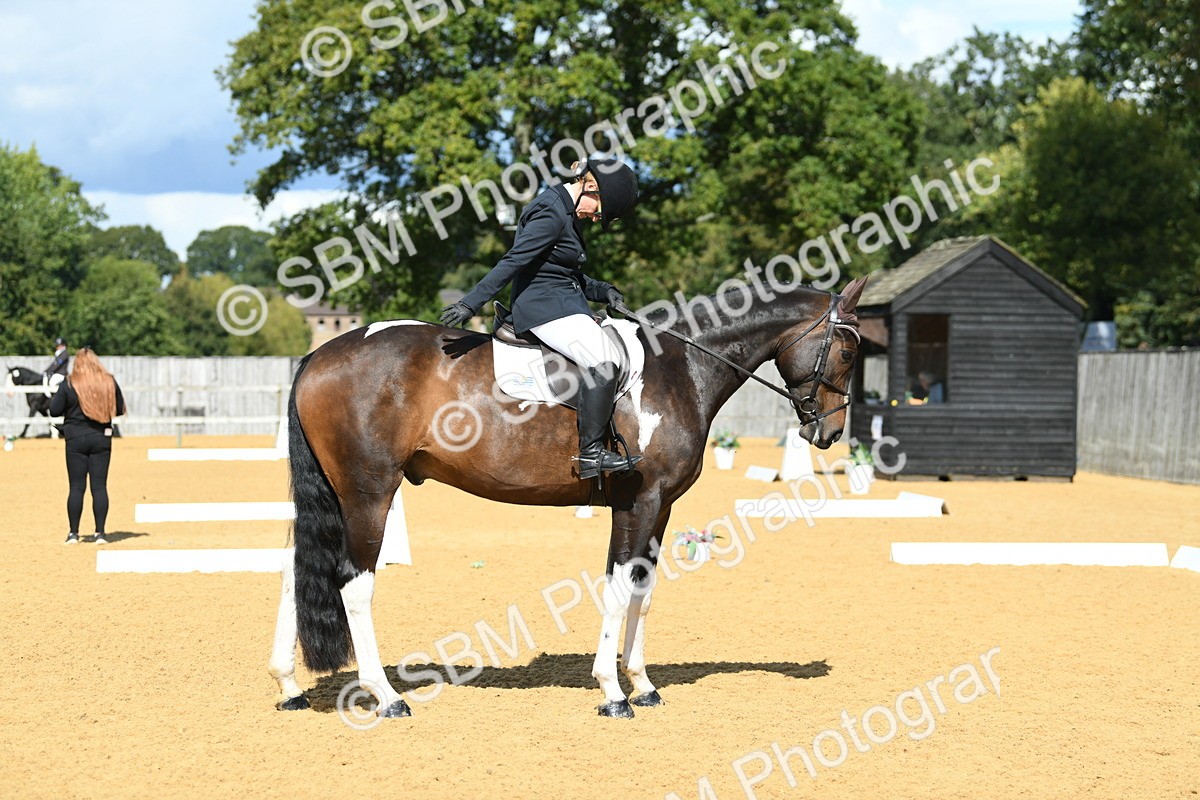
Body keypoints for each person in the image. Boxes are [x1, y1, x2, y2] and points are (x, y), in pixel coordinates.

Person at [439, 156, 639, 478]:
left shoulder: (565, 210)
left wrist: (604, 291)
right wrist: (471, 303)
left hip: (559, 301)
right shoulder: (551, 211)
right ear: (591, 186)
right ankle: (591, 455)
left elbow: (563, 272)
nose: (593, 219)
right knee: (603, 360)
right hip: (543, 308)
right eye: (598, 211)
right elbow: (515, 260)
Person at [49, 348, 126, 544]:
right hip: (101, 438)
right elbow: (118, 409)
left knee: (76, 487)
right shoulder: (108, 381)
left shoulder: (69, 382)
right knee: (99, 487)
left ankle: (73, 533)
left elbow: (54, 410)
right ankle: (100, 533)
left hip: (74, 439)